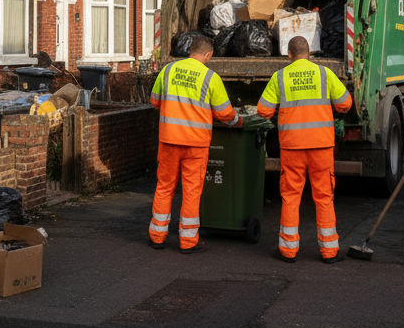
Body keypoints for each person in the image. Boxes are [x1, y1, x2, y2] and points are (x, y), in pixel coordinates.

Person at [257, 35, 353, 264]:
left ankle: (288, 251)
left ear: (289, 54)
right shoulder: (324, 74)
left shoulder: (280, 77)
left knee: (291, 196)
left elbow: (263, 110)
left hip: (293, 147)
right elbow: (345, 104)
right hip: (321, 146)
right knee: (324, 197)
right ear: (309, 53)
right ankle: (329, 252)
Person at [148, 35, 240, 254]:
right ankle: (188, 242)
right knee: (191, 191)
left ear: (191, 50)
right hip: (195, 145)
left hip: (169, 140)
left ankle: (157, 237)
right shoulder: (211, 77)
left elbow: (154, 101)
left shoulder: (168, 70)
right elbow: (224, 113)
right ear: (208, 55)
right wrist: (239, 121)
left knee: (164, 187)